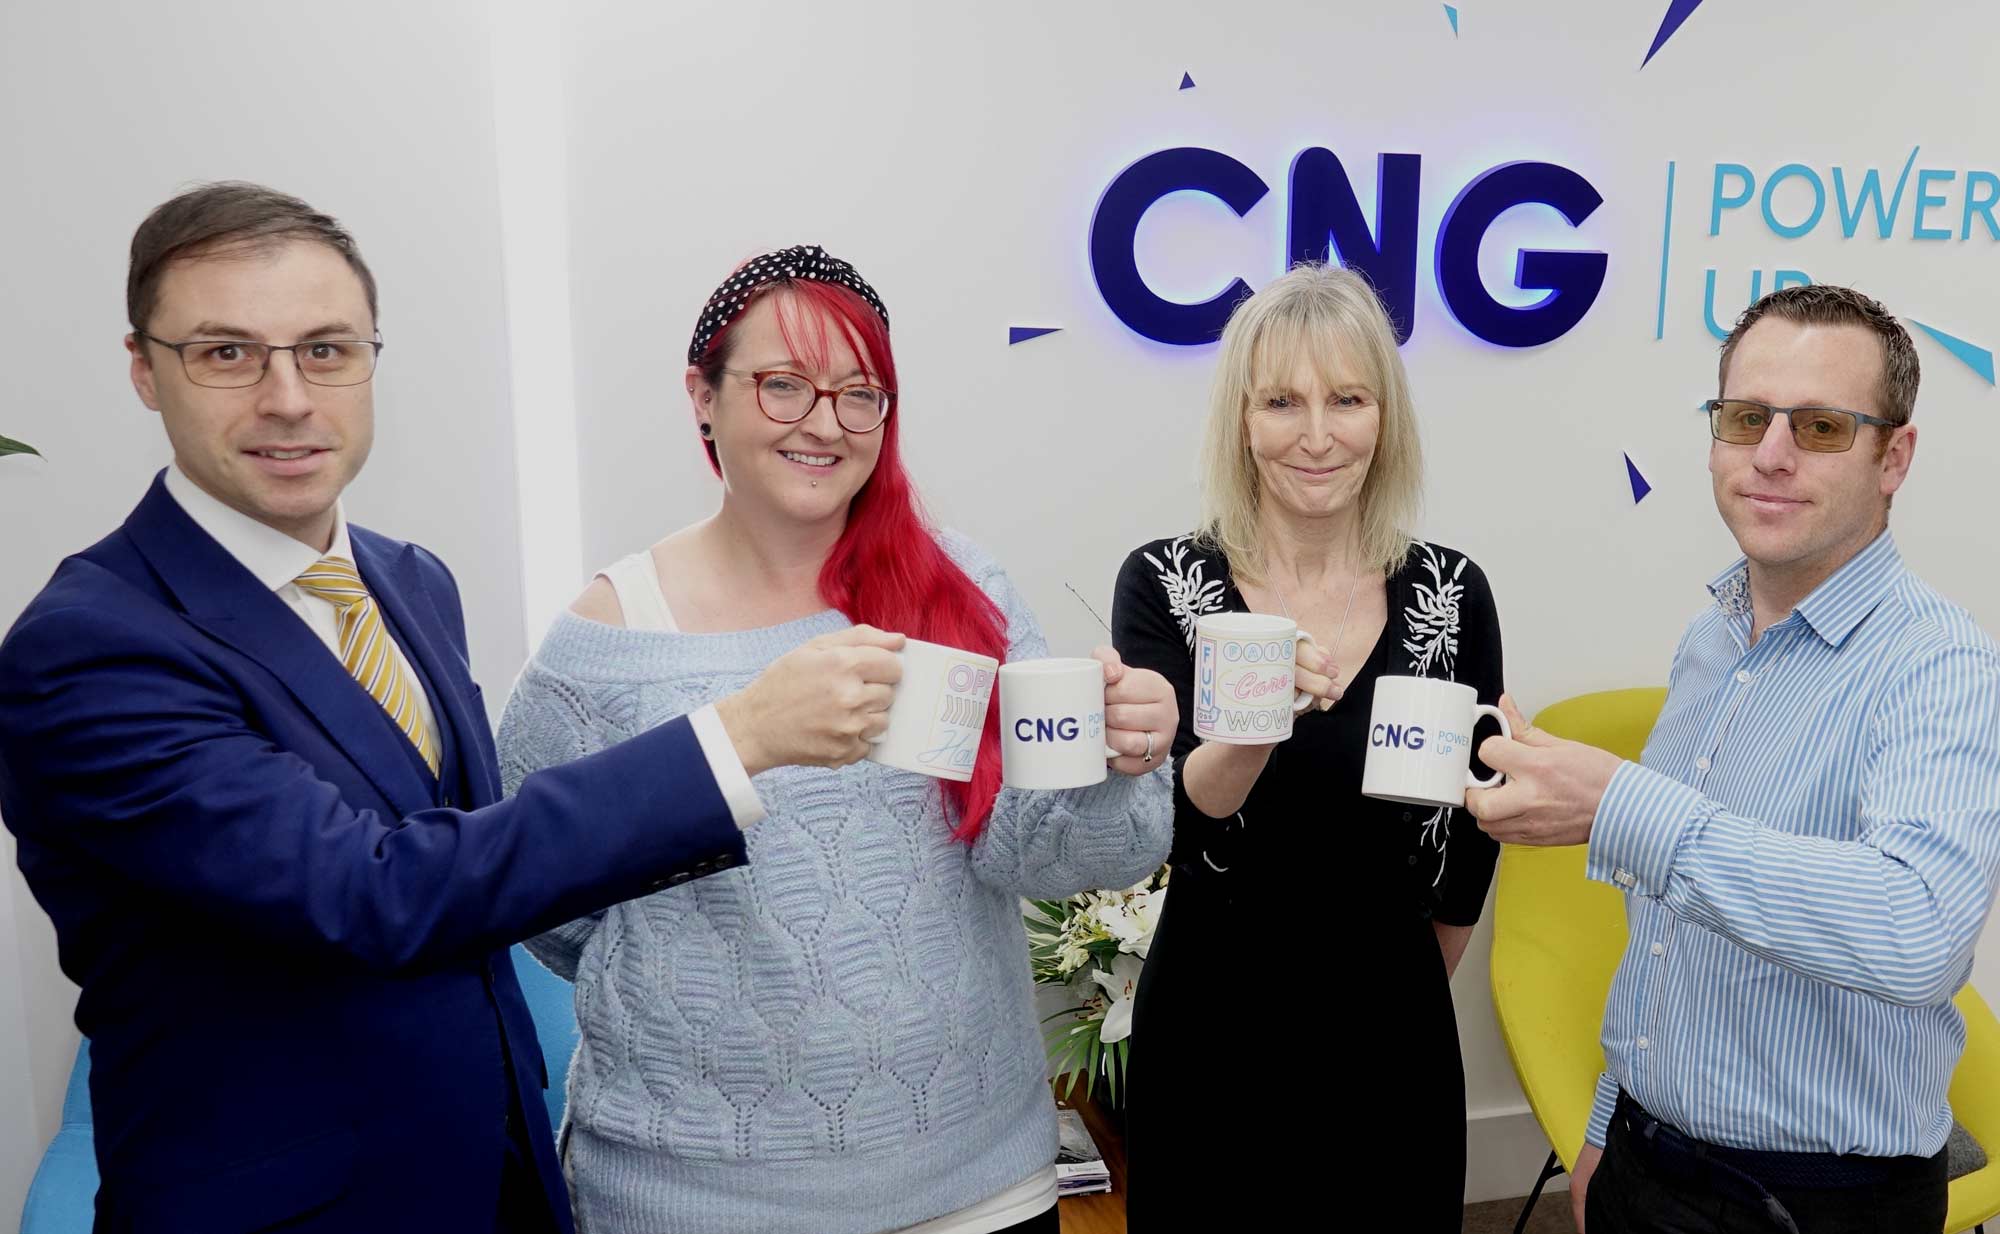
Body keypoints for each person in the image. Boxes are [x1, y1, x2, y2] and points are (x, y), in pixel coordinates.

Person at [0, 184, 900, 1234]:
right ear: (144, 370)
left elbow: (485, 888)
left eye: (326, 349)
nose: (288, 396)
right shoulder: (90, 648)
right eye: (228, 353)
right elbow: (371, 893)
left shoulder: (408, 581)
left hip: (497, 1186)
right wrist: (734, 738)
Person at [497, 244, 1178, 1234]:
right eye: (783, 386)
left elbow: (1041, 850)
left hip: (977, 1183)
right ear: (703, 396)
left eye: (860, 394)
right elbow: (539, 901)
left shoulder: (955, 593)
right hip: (697, 1205)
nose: (824, 423)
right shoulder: (608, 645)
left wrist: (1121, 764)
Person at [1467, 284, 2000, 1234]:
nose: (1772, 454)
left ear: (1896, 457)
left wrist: (1621, 806)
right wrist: (1606, 1125)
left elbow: (1918, 931)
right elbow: (1671, 942)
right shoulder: (1710, 642)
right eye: (1747, 417)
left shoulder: (1939, 662)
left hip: (1811, 1202)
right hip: (1645, 1157)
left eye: (1824, 426)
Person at [1110, 262, 1504, 1231]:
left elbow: (1466, 837)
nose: (1317, 435)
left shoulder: (1448, 593)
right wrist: (1252, 719)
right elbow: (1166, 813)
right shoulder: (1165, 582)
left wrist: (1397, 980)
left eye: (1347, 398)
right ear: (1240, 419)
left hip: (1388, 1025)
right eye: (1281, 401)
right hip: (1211, 1017)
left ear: (1385, 415)